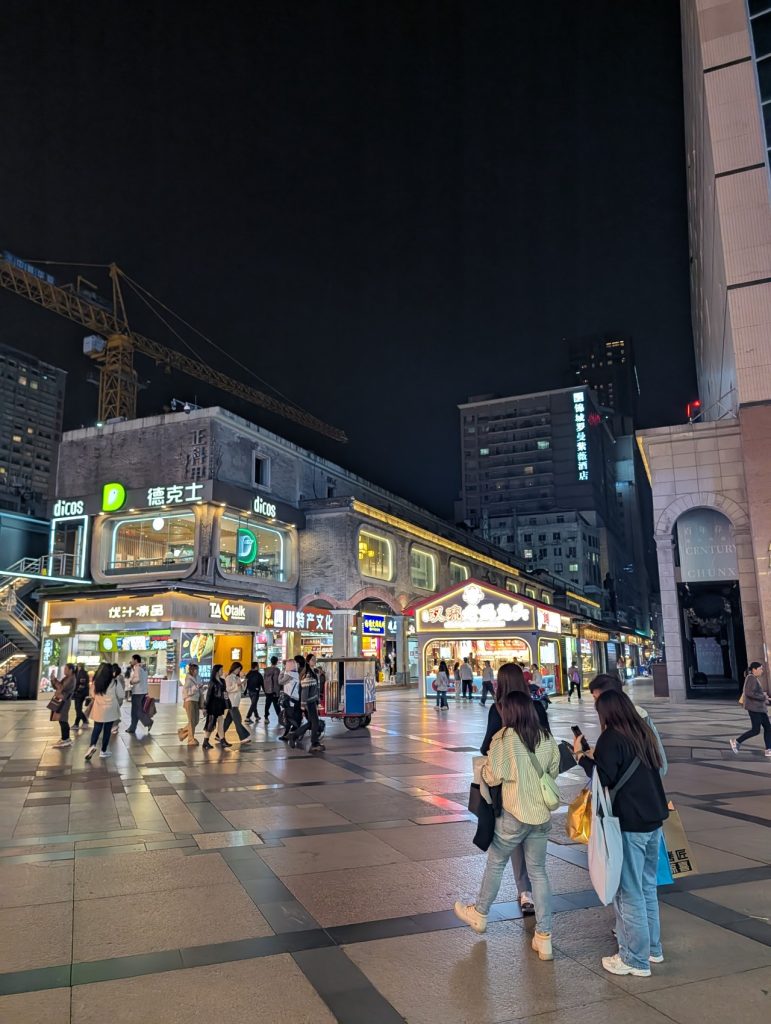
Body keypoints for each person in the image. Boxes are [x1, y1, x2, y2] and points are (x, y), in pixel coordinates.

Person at [455, 691, 559, 960]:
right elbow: (553, 770)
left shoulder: (503, 739)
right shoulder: (546, 737)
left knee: (496, 862)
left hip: (513, 814)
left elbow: (492, 775)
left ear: (509, 712)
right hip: (540, 816)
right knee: (539, 872)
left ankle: (479, 914)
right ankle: (544, 936)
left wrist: (488, 770)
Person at [575, 690, 668, 977]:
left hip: (630, 822)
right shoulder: (643, 733)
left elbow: (602, 778)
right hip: (654, 819)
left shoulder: (611, 738)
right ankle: (653, 949)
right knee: (647, 886)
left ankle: (634, 959)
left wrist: (580, 756)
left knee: (628, 893)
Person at [480, 661, 550, 915]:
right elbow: (548, 744)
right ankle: (543, 925)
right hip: (537, 790)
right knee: (538, 863)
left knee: (504, 850)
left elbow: (486, 747)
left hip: (509, 789)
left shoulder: (497, 710)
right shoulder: (538, 707)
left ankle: (523, 892)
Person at [587, 674, 667, 775]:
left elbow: (660, 764)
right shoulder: (616, 720)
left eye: (596, 698)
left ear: (610, 698)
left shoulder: (638, 716)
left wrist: (581, 758)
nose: (596, 704)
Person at [731, 662, 771, 757]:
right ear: (754, 669)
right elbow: (749, 693)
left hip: (759, 709)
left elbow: (754, 693)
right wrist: (763, 697)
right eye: (760, 669)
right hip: (755, 709)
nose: (762, 671)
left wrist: (765, 697)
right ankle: (736, 741)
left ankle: (769, 749)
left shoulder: (753, 678)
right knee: (755, 730)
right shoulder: (751, 678)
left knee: (768, 728)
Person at [85, 662, 124, 760]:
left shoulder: (96, 682)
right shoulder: (115, 681)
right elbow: (121, 695)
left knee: (97, 728)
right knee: (107, 730)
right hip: (111, 709)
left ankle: (92, 745)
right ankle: (103, 750)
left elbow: (92, 694)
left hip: (99, 709)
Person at [290, 653, 324, 752]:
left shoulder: (313, 672)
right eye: (312, 659)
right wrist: (303, 704)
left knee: (311, 723)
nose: (315, 661)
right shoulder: (308, 674)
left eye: (315, 659)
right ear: (308, 662)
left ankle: (294, 736)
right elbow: (305, 691)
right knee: (315, 722)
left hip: (313, 701)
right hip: (309, 702)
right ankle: (314, 742)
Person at [223, 661, 251, 743]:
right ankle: (242, 737)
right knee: (237, 720)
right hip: (232, 702)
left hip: (236, 702)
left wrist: (243, 683)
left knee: (228, 720)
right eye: (238, 669)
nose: (239, 671)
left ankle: (219, 735)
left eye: (240, 669)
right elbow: (227, 689)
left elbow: (242, 689)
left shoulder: (237, 678)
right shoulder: (229, 678)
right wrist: (237, 685)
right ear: (234, 668)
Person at [202, 664, 229, 749]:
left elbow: (225, 692)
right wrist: (205, 707)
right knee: (211, 724)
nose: (222, 671)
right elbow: (209, 695)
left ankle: (222, 740)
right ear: (217, 671)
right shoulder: (212, 682)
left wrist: (227, 702)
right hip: (212, 705)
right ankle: (205, 741)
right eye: (221, 670)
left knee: (221, 722)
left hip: (220, 705)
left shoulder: (222, 681)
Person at [279, 655, 304, 742]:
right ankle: (287, 735)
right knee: (289, 717)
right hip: (294, 698)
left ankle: (297, 732)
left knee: (289, 717)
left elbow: (280, 681)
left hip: (290, 699)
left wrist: (282, 672)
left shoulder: (289, 674)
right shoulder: (295, 673)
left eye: (286, 665)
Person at [50, 663, 77, 748]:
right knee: (61, 719)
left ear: (71, 670)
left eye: (66, 669)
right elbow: (57, 686)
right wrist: (53, 679)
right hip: (61, 700)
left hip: (64, 701)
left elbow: (61, 687)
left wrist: (54, 679)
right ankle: (64, 738)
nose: (64, 670)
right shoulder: (67, 678)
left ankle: (66, 739)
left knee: (63, 719)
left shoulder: (72, 679)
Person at [178, 663, 203, 746]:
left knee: (196, 721)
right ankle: (190, 739)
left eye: (198, 670)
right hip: (189, 701)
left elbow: (198, 688)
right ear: (192, 670)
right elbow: (186, 692)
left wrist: (201, 688)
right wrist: (196, 688)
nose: (197, 671)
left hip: (196, 700)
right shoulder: (188, 680)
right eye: (196, 670)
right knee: (192, 720)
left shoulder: (198, 678)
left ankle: (182, 733)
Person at [126, 654, 149, 735]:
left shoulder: (137, 667)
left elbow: (137, 679)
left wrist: (131, 681)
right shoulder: (144, 667)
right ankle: (148, 722)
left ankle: (132, 728)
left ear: (136, 660)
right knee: (140, 710)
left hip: (137, 691)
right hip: (144, 691)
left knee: (134, 711)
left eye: (132, 659)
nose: (131, 661)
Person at [263, 656, 281, 724]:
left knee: (267, 704)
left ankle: (266, 718)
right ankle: (280, 718)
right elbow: (277, 681)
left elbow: (264, 680)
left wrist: (265, 689)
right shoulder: (277, 670)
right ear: (276, 662)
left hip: (268, 690)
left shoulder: (266, 670)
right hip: (274, 690)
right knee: (276, 705)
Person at [73, 664, 90, 729]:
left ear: (79, 667)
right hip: (82, 693)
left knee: (78, 709)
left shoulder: (82, 673)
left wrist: (76, 691)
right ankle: (82, 721)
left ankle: (78, 723)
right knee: (78, 709)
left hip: (80, 694)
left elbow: (82, 684)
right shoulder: (82, 673)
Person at [110, 664, 124, 735]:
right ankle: (115, 725)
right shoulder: (121, 677)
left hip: (116, 698)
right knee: (115, 712)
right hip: (119, 698)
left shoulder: (116, 678)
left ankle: (115, 726)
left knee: (114, 712)